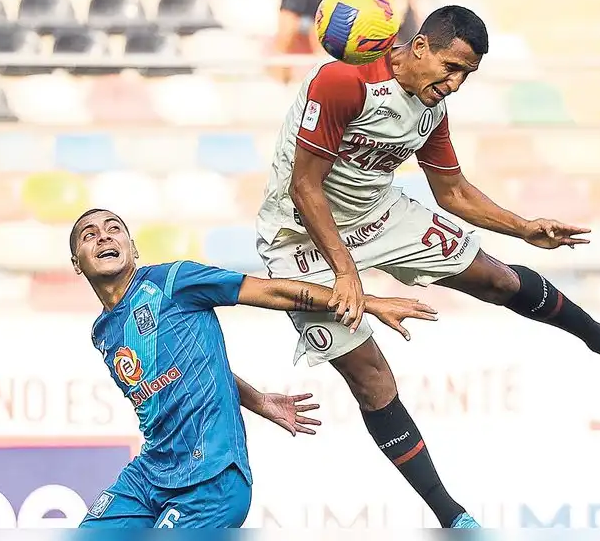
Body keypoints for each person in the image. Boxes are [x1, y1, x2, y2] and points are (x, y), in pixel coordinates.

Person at [255, 5, 600, 529]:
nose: (455, 84)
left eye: (467, 75)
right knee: (371, 379)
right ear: (419, 47)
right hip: (300, 239)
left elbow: (452, 191)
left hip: (378, 216)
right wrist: (347, 274)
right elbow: (304, 187)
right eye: (451, 68)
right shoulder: (344, 81)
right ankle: (454, 519)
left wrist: (523, 227)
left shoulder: (431, 107)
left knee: (499, 278)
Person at [70, 208, 438, 529]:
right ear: (77, 262)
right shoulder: (102, 332)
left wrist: (366, 302)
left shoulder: (172, 282)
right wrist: (258, 400)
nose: (104, 237)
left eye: (114, 228)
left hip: (209, 481)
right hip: (149, 475)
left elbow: (272, 291)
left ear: (133, 248)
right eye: (90, 235)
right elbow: (188, 367)